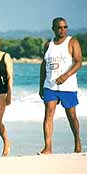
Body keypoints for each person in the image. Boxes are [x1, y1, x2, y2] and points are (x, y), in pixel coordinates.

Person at [39, 17, 82, 154]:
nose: (62, 30)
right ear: (53, 28)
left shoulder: (72, 42)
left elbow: (78, 62)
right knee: (48, 115)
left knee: (71, 115)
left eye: (65, 27)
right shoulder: (48, 44)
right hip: (50, 86)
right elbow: (43, 65)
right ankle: (48, 147)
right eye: (59, 27)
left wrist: (65, 76)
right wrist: (41, 86)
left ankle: (77, 141)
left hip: (68, 87)